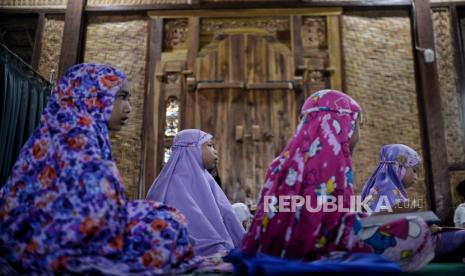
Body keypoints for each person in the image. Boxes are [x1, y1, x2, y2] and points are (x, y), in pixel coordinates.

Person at [0, 63, 199, 274]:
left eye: (128, 98)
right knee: (167, 224)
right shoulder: (75, 133)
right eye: (121, 96)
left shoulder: (74, 128)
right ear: (91, 94)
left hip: (62, 231)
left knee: (164, 218)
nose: (128, 107)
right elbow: (91, 213)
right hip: (51, 239)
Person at [241, 90, 434, 271]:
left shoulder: (280, 162)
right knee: (415, 228)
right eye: (358, 125)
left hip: (276, 249)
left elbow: (325, 213)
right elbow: (337, 227)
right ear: (344, 123)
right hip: (320, 250)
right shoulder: (332, 160)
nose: (358, 134)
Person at [146, 129, 245, 256]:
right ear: (192, 149)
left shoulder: (207, 179)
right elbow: (195, 231)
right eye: (209, 145)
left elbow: (227, 214)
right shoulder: (174, 183)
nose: (215, 151)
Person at [360, 144, 421, 213]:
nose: (416, 177)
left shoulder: (378, 187)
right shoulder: (388, 191)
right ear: (399, 169)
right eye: (414, 171)